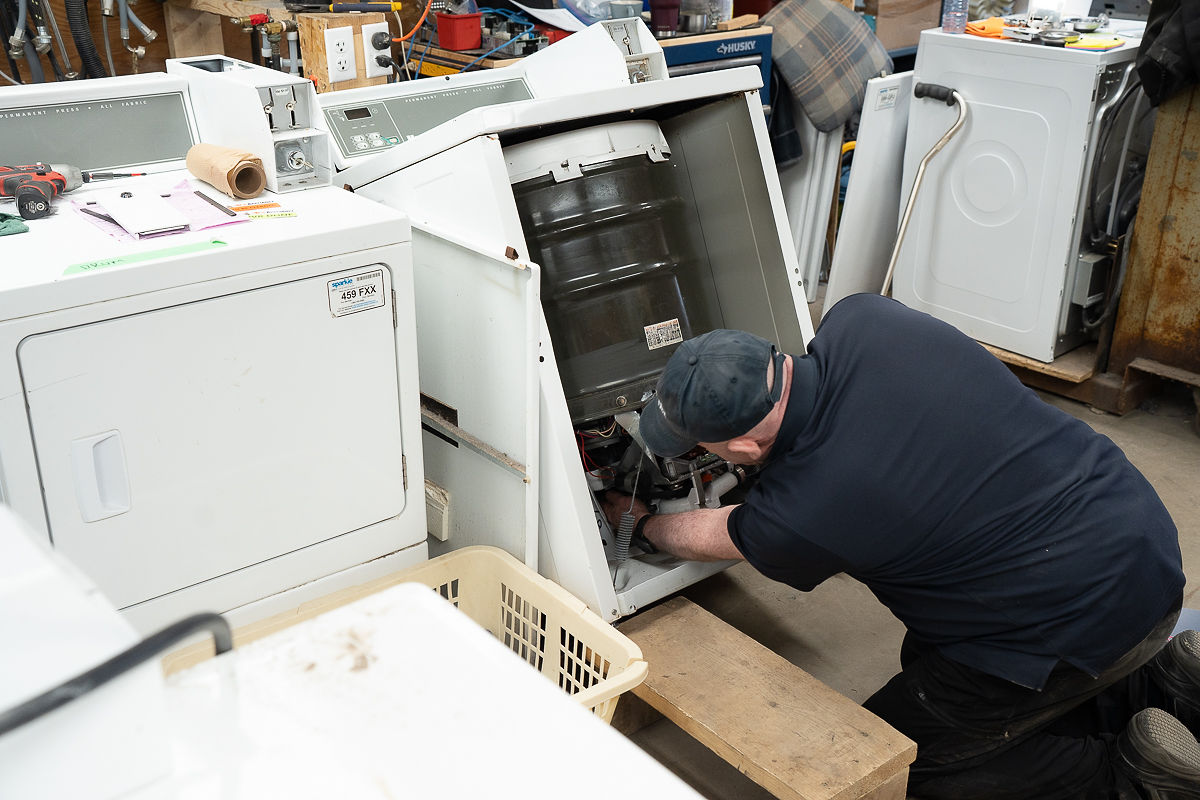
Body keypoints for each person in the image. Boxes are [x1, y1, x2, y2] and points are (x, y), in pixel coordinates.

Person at [604, 293, 1200, 799]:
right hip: (1138, 540)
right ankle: (1166, 683)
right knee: (929, 655)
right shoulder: (863, 319)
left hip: (1079, 619)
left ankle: (1130, 776)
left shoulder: (806, 511)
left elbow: (720, 535)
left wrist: (643, 523)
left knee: (903, 762)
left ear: (743, 448)